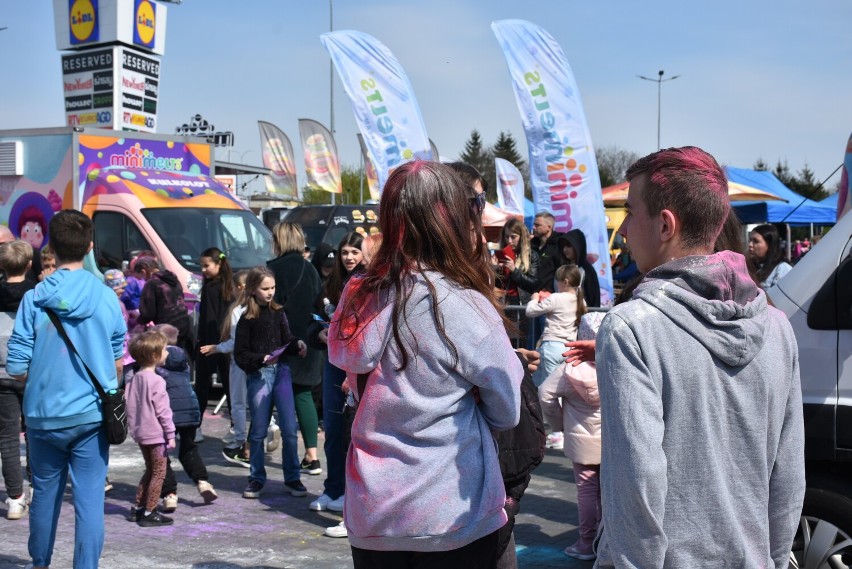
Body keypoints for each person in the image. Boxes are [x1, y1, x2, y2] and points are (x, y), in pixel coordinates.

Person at [593, 147, 805, 567]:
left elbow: (636, 487)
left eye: (630, 213)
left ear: (665, 224)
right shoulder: (777, 327)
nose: (624, 230)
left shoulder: (631, 327)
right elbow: (789, 475)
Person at [329, 160, 524, 567]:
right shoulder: (461, 304)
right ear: (451, 220)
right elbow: (507, 410)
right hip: (451, 511)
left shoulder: (358, 295)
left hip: (374, 511)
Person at [7, 209, 126, 569]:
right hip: (91, 415)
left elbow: (15, 367)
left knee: (44, 495)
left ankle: (39, 562)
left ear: (50, 247)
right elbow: (119, 360)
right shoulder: (106, 297)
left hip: (43, 416)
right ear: (90, 246)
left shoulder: (34, 298)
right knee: (90, 500)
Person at [234, 267, 308, 499]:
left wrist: (298, 345)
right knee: (257, 431)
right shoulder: (246, 318)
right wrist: (261, 359)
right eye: (265, 288)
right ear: (253, 289)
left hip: (282, 372)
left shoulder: (278, 312)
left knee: (289, 429)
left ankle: (292, 478)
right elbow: (240, 355)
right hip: (260, 375)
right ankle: (256, 478)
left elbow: (287, 339)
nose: (270, 293)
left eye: (272, 288)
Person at [538, 311, 605, 561]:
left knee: (586, 491)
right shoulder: (617, 363)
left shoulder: (569, 368)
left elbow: (545, 395)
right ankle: (608, 540)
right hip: (614, 440)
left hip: (581, 441)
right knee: (610, 492)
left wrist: (558, 424)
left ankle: (586, 543)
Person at [308, 232, 365, 514]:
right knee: (332, 431)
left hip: (357, 367)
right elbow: (313, 319)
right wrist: (318, 332)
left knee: (353, 434)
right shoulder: (331, 284)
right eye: (345, 252)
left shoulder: (369, 284)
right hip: (333, 366)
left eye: (355, 251)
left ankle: (351, 495)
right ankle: (333, 488)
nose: (350, 257)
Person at [266, 223, 323, 476]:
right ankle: (312, 456)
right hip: (310, 340)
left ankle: (248, 449)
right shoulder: (311, 270)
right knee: (304, 395)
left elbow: (268, 307)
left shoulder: (273, 269)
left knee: (266, 396)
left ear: (279, 240)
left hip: (280, 342)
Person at [152, 323, 218, 511]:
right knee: (188, 448)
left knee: (162, 454)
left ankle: (170, 494)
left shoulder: (157, 361)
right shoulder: (182, 359)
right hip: (190, 410)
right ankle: (203, 482)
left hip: (168, 413)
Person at [125, 329, 176, 527]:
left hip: (141, 434)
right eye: (165, 350)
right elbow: (164, 411)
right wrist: (170, 434)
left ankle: (138, 507)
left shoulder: (134, 379)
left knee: (150, 470)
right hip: (156, 434)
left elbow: (129, 406)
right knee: (159, 473)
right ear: (154, 356)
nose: (168, 353)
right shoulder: (157, 381)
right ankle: (149, 511)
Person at [200, 270, 251, 466]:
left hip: (239, 363)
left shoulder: (238, 311)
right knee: (257, 404)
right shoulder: (261, 309)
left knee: (238, 403)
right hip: (259, 364)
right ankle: (267, 429)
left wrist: (216, 348)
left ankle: (241, 444)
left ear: (239, 288)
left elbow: (235, 342)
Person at [0, 240, 34, 520]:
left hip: (1, 374)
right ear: (29, 264)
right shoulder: (36, 295)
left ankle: (15, 498)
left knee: (8, 440)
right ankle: (38, 486)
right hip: (33, 372)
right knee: (36, 433)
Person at [195, 247, 235, 434]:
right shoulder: (228, 286)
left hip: (211, 342)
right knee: (231, 386)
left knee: (203, 386)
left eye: (206, 266)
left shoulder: (213, 287)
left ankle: (195, 427)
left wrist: (208, 343)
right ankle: (237, 427)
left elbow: (210, 319)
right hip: (225, 342)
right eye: (201, 266)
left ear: (219, 264)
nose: (203, 270)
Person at [495, 218, 539, 349]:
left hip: (521, 305)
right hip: (503, 303)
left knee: (522, 345)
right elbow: (496, 284)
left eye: (513, 237)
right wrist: (493, 270)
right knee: (504, 344)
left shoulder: (532, 255)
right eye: (507, 236)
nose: (509, 241)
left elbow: (533, 284)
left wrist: (514, 270)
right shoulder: (502, 254)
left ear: (521, 237)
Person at [138, 259, 193, 357]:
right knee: (178, 356)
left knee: (167, 358)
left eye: (141, 277)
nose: (142, 279)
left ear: (144, 271)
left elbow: (148, 313)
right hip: (184, 322)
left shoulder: (152, 283)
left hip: (166, 327)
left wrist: (138, 321)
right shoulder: (172, 278)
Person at [557, 229, 601, 308]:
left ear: (577, 246)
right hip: (561, 315)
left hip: (581, 315)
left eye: (569, 246)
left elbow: (593, 299)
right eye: (563, 246)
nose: (565, 249)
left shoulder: (587, 270)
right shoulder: (561, 268)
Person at [748, 223, 793, 289]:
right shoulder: (751, 266)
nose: (750, 245)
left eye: (756, 241)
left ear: (770, 246)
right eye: (750, 240)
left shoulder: (782, 269)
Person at [530, 212, 563, 293]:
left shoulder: (559, 244)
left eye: (537, 225)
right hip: (532, 294)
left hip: (551, 296)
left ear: (549, 227)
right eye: (534, 224)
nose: (534, 227)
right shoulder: (531, 244)